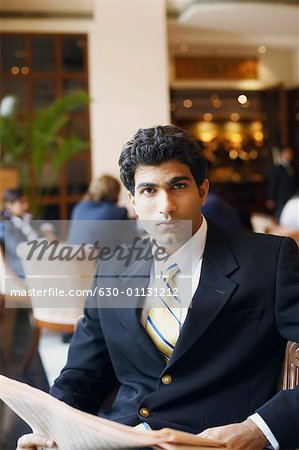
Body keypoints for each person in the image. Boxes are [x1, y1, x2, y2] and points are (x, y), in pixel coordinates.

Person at [17, 125, 299, 450]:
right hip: (124, 438)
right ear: (134, 201)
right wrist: (50, 426)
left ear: (203, 191)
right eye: (149, 190)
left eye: (178, 186)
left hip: (218, 442)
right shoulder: (112, 268)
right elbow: (83, 372)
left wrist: (257, 430)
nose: (166, 205)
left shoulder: (269, 260)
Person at [67, 174, 129, 244]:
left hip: (74, 253)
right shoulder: (118, 212)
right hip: (103, 253)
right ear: (115, 192)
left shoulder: (79, 207)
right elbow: (132, 241)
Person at [266, 146, 297, 219]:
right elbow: (273, 183)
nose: (290, 155)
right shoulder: (277, 167)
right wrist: (270, 198)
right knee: (280, 214)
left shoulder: (290, 167)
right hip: (280, 196)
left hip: (290, 196)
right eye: (288, 153)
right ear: (283, 153)